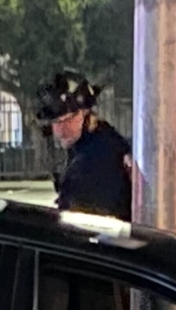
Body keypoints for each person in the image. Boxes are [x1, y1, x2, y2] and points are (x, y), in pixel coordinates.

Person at [35, 70, 132, 221]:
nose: (61, 130)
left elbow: (73, 229)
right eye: (56, 122)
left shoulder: (90, 162)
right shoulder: (105, 139)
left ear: (86, 113)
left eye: (69, 119)